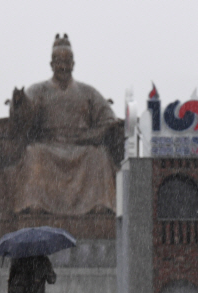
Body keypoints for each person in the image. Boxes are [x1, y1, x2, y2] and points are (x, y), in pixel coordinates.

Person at [9, 34, 120, 216]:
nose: (63, 67)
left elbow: (108, 118)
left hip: (80, 146)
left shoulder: (88, 92)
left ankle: (99, 205)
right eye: (59, 62)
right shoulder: (38, 90)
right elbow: (24, 118)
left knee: (99, 155)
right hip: (49, 146)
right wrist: (19, 103)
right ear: (51, 64)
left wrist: (89, 136)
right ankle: (35, 204)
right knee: (33, 153)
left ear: (73, 64)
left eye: (67, 62)